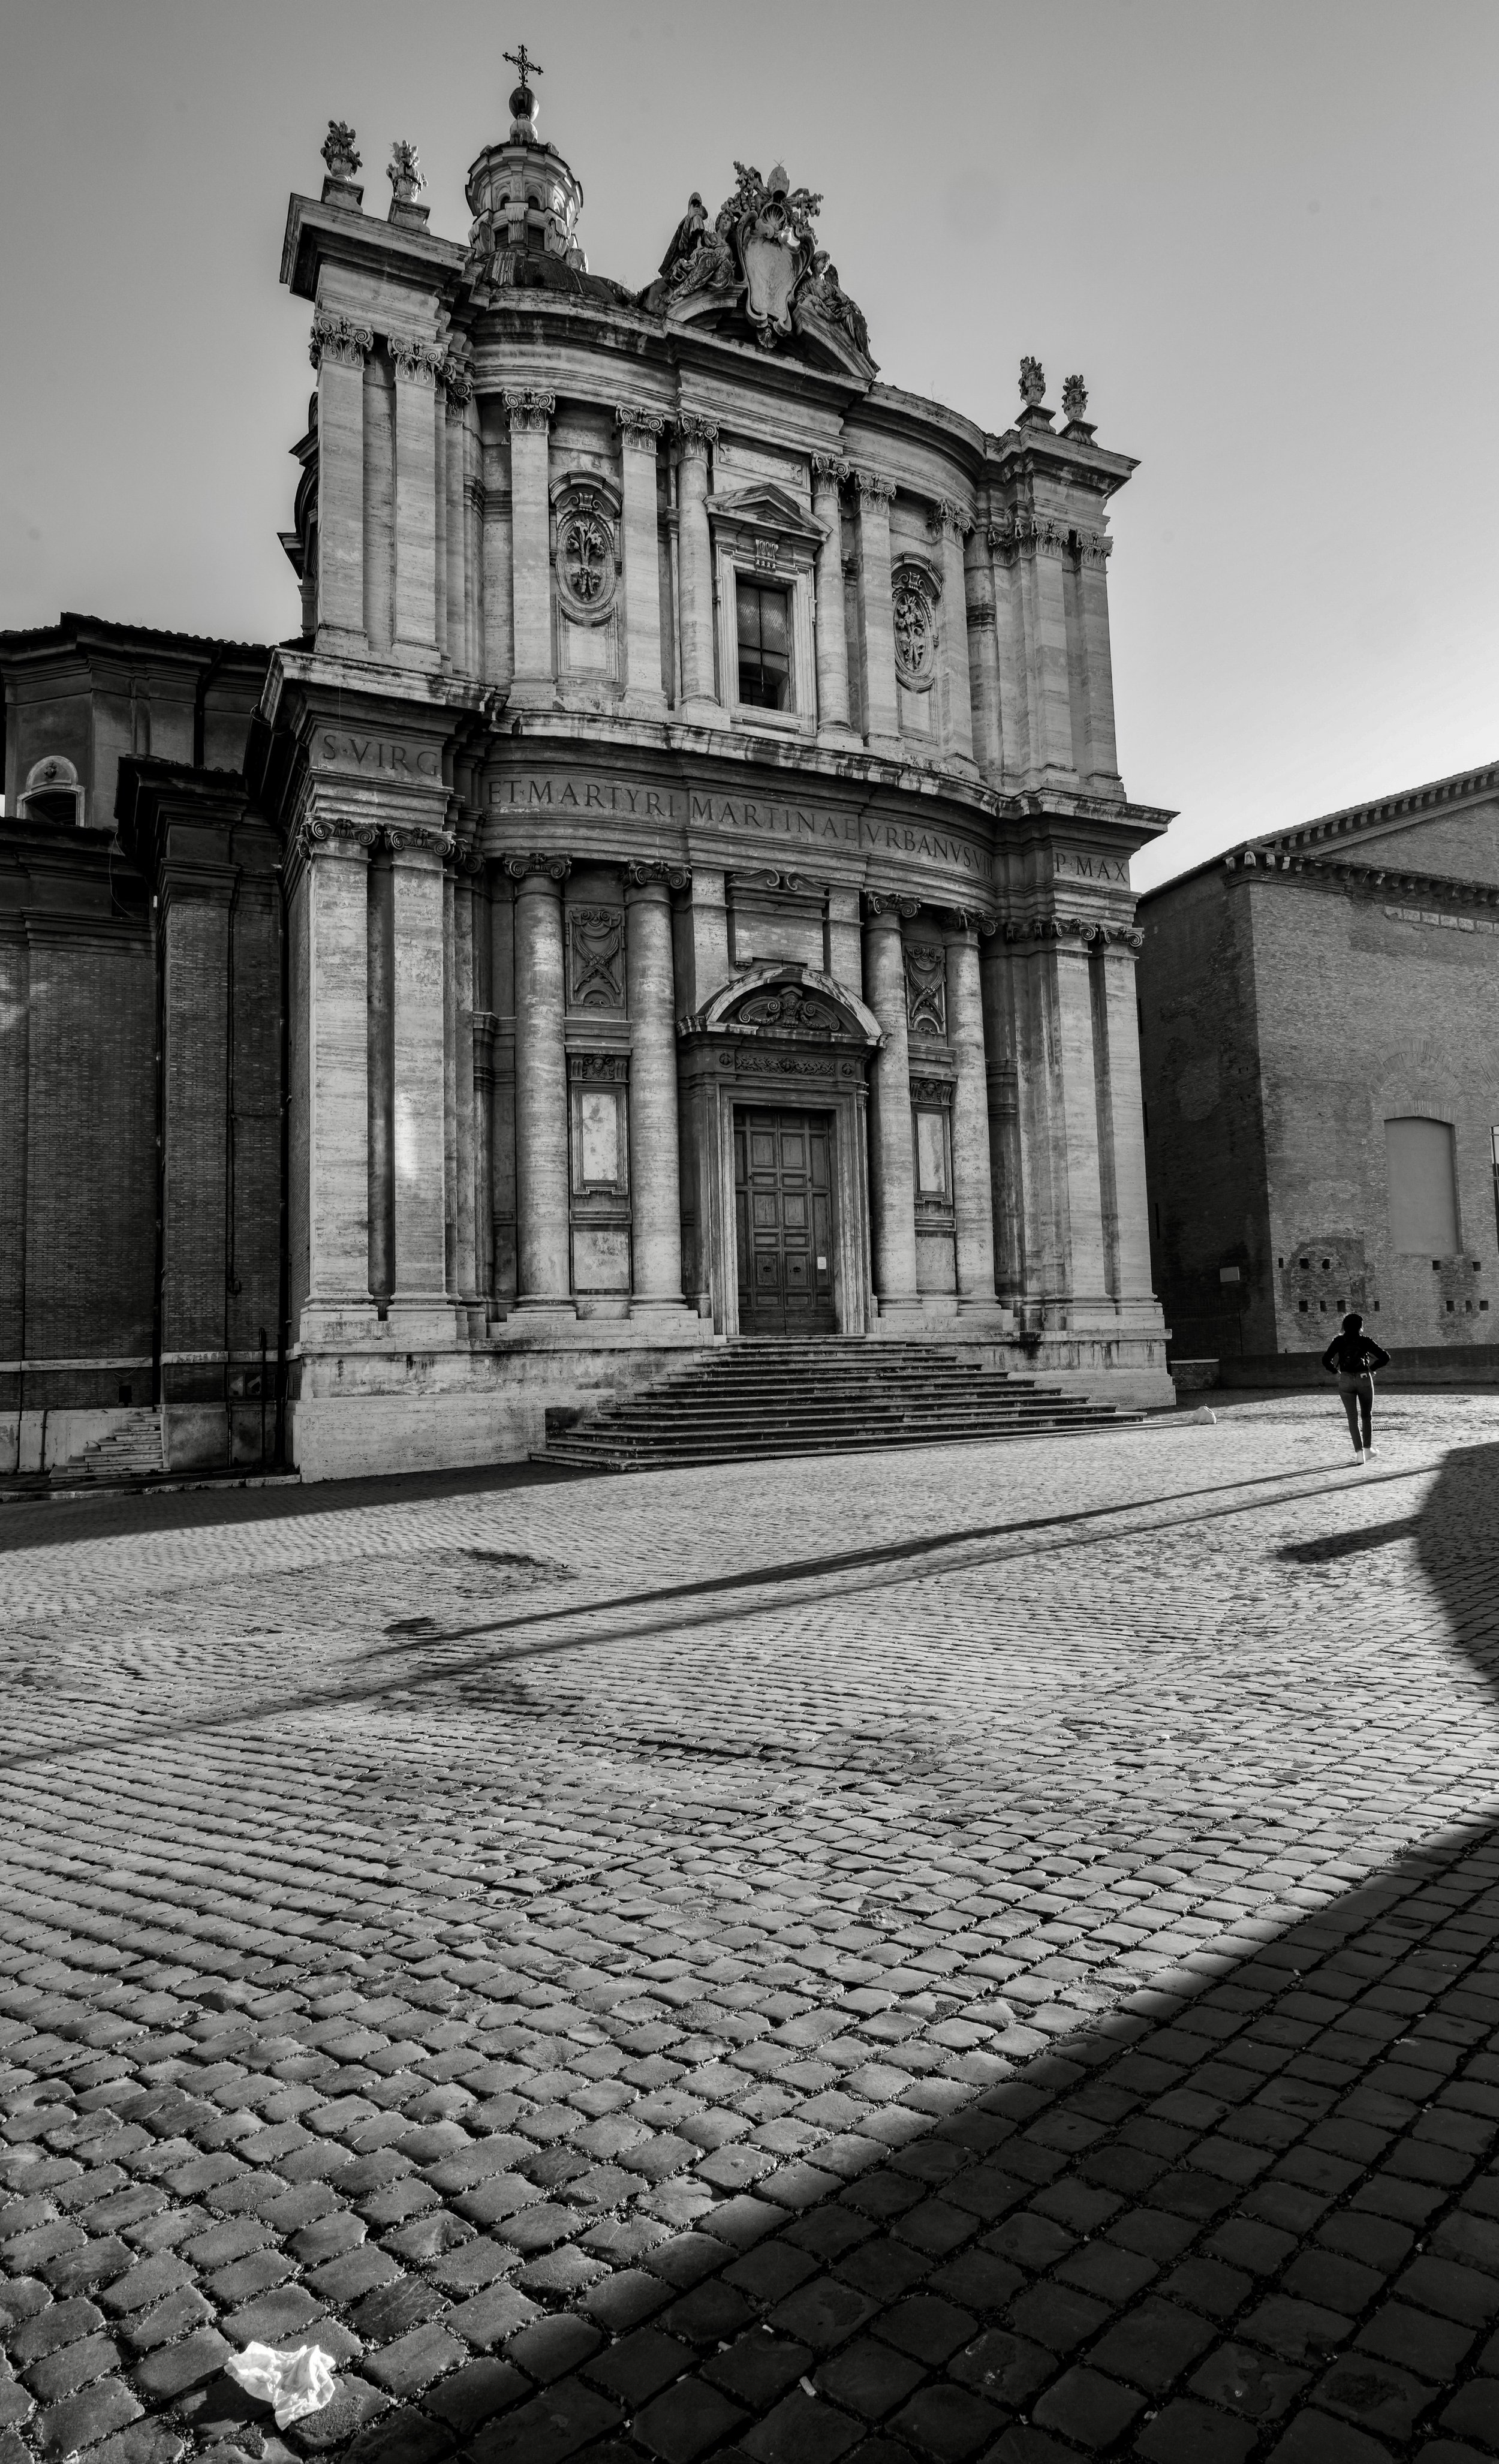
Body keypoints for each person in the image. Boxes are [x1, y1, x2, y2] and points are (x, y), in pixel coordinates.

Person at [1321, 1311, 1390, 1461]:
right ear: (1360, 1327)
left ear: (1344, 1326)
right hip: (1364, 1378)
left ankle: (1359, 1455)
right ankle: (1368, 1449)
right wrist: (1373, 1368)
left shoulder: (1338, 1341)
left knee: (1352, 1418)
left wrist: (1336, 1371)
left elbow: (1326, 1360)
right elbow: (1385, 1357)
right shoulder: (1365, 1341)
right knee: (1367, 1416)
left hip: (1345, 1379)